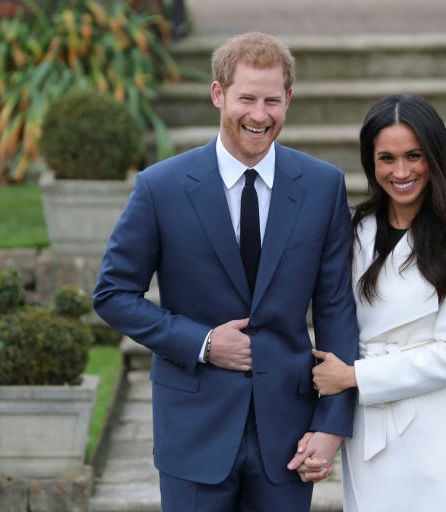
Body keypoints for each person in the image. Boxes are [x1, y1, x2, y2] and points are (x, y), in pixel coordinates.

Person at [93, 32, 359, 512]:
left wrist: (332, 425)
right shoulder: (161, 187)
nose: (259, 115)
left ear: (288, 100)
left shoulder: (323, 187)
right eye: (247, 99)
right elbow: (113, 293)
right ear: (218, 94)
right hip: (193, 428)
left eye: (272, 101)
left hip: (289, 434)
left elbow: (336, 308)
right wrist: (203, 343)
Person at [298, 94, 446, 511]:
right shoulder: (354, 229)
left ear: (436, 156)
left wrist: (357, 376)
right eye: (386, 158)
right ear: (369, 161)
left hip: (443, 423)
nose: (401, 172)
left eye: (414, 156)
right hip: (372, 425)